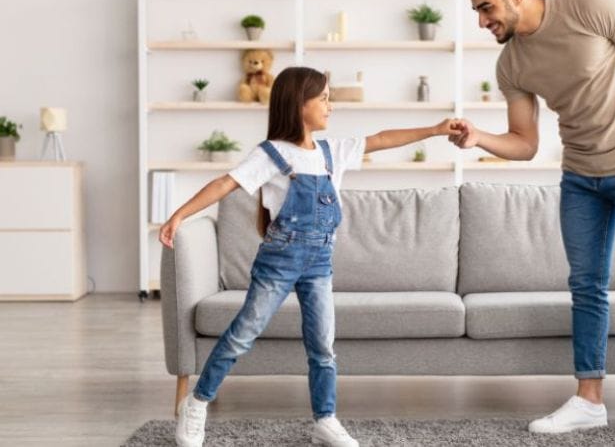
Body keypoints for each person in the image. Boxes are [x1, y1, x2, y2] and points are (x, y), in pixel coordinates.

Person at [159, 66, 463, 447]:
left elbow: (382, 139)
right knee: (242, 335)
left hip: (319, 263)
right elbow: (225, 183)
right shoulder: (270, 155)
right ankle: (198, 403)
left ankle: (325, 419)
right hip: (278, 262)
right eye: (323, 98)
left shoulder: (329, 152)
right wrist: (179, 215)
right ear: (298, 104)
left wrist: (434, 130)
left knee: (322, 346)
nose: (330, 106)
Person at [456, 0, 615, 438]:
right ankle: (589, 399)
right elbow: (525, 142)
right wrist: (480, 138)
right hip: (582, 178)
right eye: (477, 11)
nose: (481, 20)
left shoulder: (588, 6)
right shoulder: (511, 63)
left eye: (486, 7)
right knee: (586, 286)